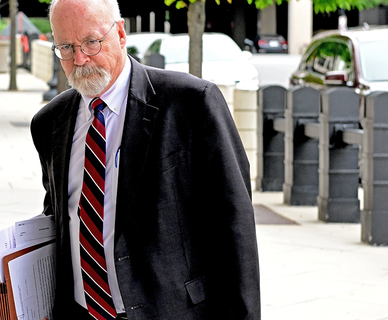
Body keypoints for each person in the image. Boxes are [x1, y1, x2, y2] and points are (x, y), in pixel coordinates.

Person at [30, 0, 261, 319]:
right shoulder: (49, 123)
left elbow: (233, 226)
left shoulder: (191, 104)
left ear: (120, 33)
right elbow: (59, 217)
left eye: (91, 42)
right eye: (66, 47)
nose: (80, 58)